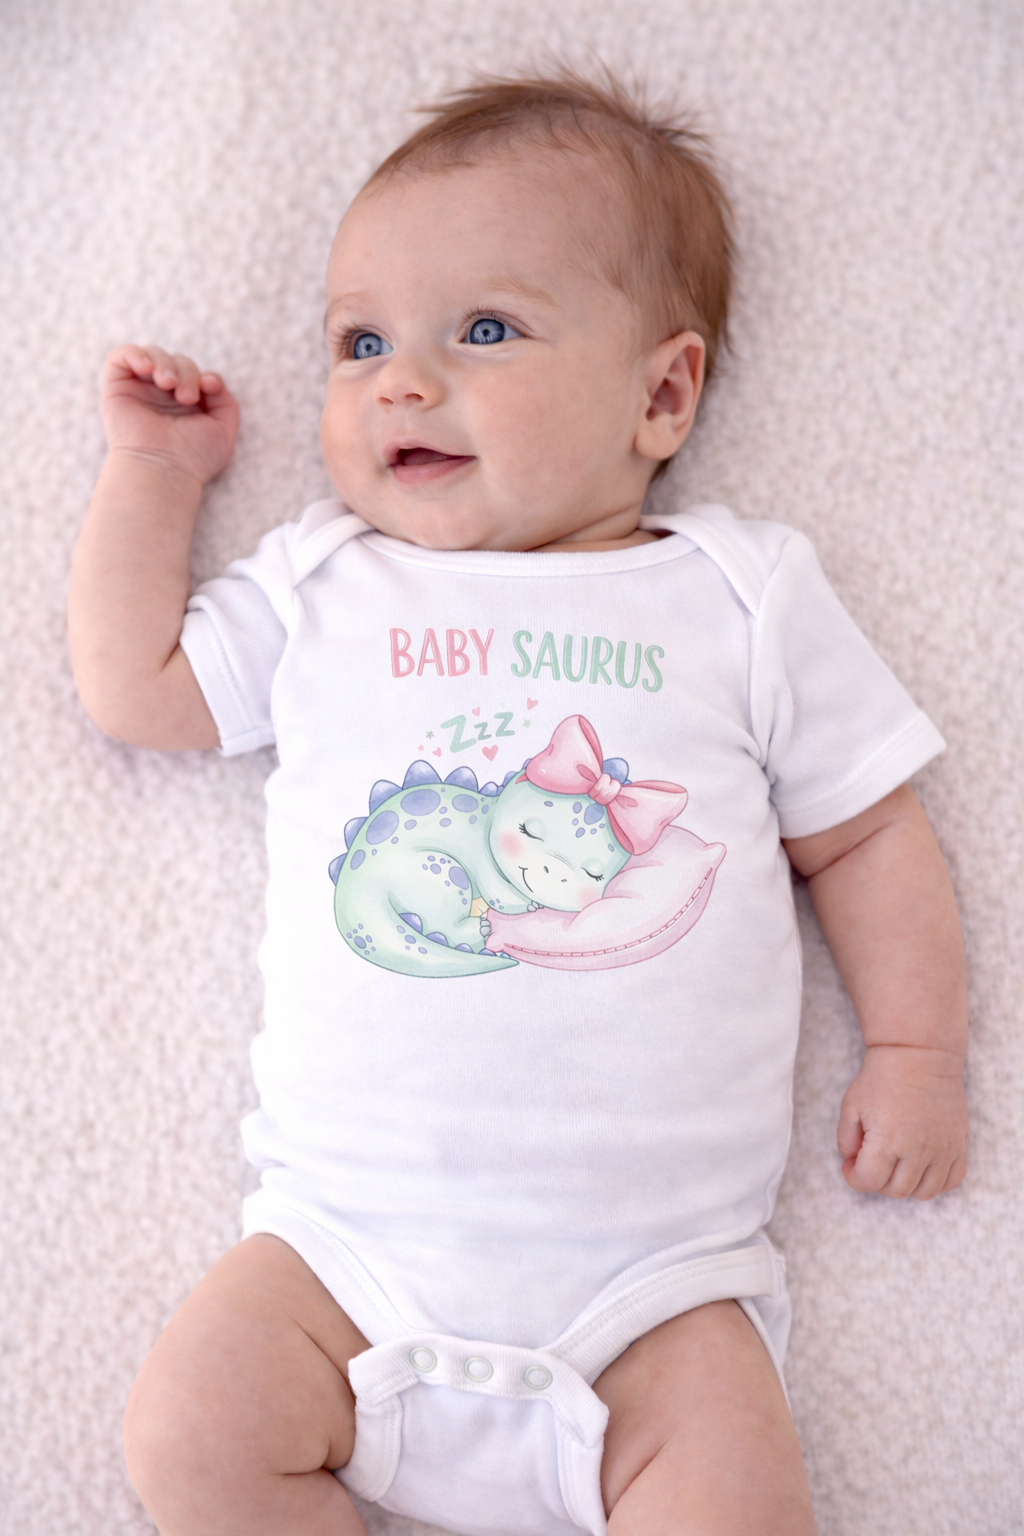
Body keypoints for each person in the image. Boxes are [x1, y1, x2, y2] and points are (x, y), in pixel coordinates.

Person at [68, 70, 969, 1536]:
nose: (400, 383)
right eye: (360, 343)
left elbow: (865, 827)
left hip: (652, 1297)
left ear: (661, 393)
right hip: (341, 1260)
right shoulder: (322, 581)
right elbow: (140, 686)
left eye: (482, 331)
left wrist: (920, 1049)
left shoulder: (740, 595)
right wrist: (154, 478)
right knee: (187, 1431)